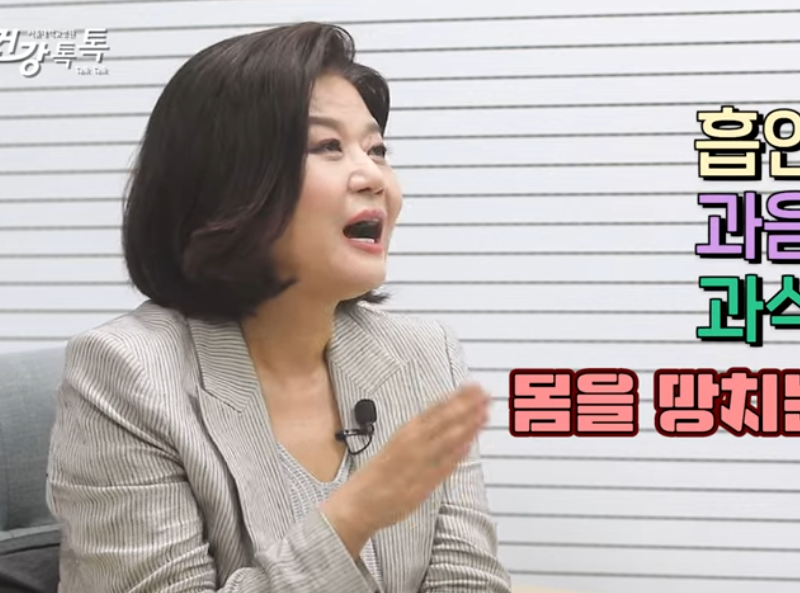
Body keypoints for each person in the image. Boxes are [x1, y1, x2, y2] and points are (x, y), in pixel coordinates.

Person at [44, 22, 512, 593]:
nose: (374, 177)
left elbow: (468, 578)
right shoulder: (125, 375)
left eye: (377, 150)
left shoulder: (424, 355)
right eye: (328, 146)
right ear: (229, 182)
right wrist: (352, 518)